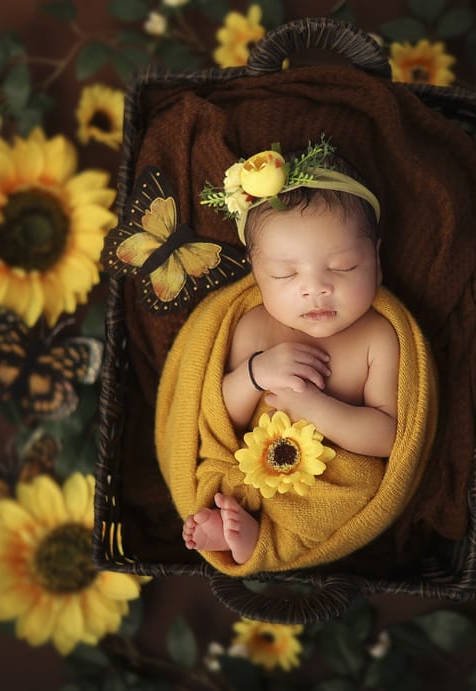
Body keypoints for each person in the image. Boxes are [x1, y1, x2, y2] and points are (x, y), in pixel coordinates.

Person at [182, 147, 399, 565]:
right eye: (285, 274)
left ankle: (262, 544)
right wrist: (254, 374)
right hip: (253, 466)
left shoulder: (378, 337)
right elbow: (221, 417)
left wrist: (313, 406)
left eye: (343, 267)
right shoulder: (255, 326)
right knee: (225, 471)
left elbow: (386, 436)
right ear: (257, 272)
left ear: (376, 258)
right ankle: (236, 521)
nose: (315, 288)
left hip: (327, 481)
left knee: (362, 485)